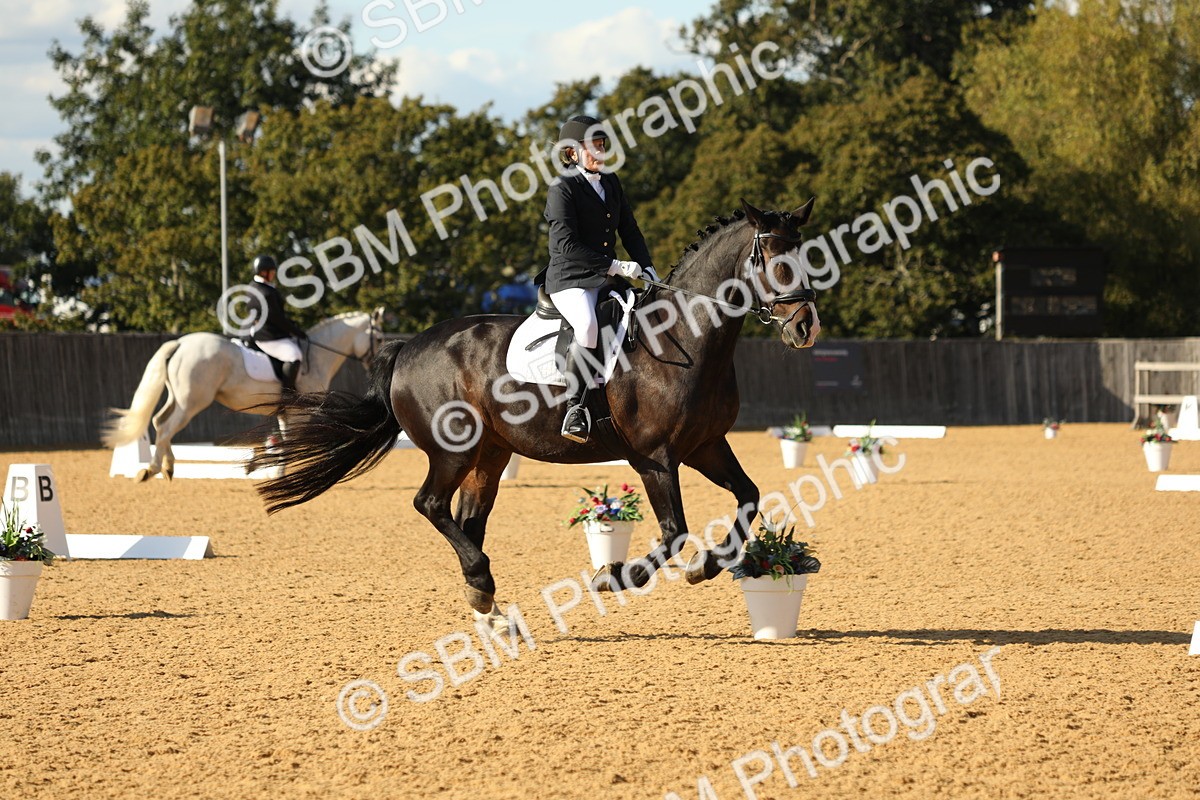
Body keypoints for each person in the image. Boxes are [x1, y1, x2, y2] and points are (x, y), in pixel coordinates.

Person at [540, 115, 657, 443]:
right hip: (571, 278)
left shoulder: (611, 182)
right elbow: (566, 245)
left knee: (640, 314)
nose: (599, 152)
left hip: (606, 277)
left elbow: (629, 230)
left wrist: (648, 267)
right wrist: (615, 266)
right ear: (572, 152)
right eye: (592, 146)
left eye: (602, 145)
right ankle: (574, 409)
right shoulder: (562, 188)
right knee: (588, 325)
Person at [247, 255, 306, 393]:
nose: (274, 275)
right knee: (294, 355)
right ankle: (287, 395)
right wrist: (296, 331)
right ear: (264, 272)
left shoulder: (253, 286)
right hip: (268, 335)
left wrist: (291, 325)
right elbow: (277, 319)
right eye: (272, 272)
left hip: (257, 330)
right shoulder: (266, 292)